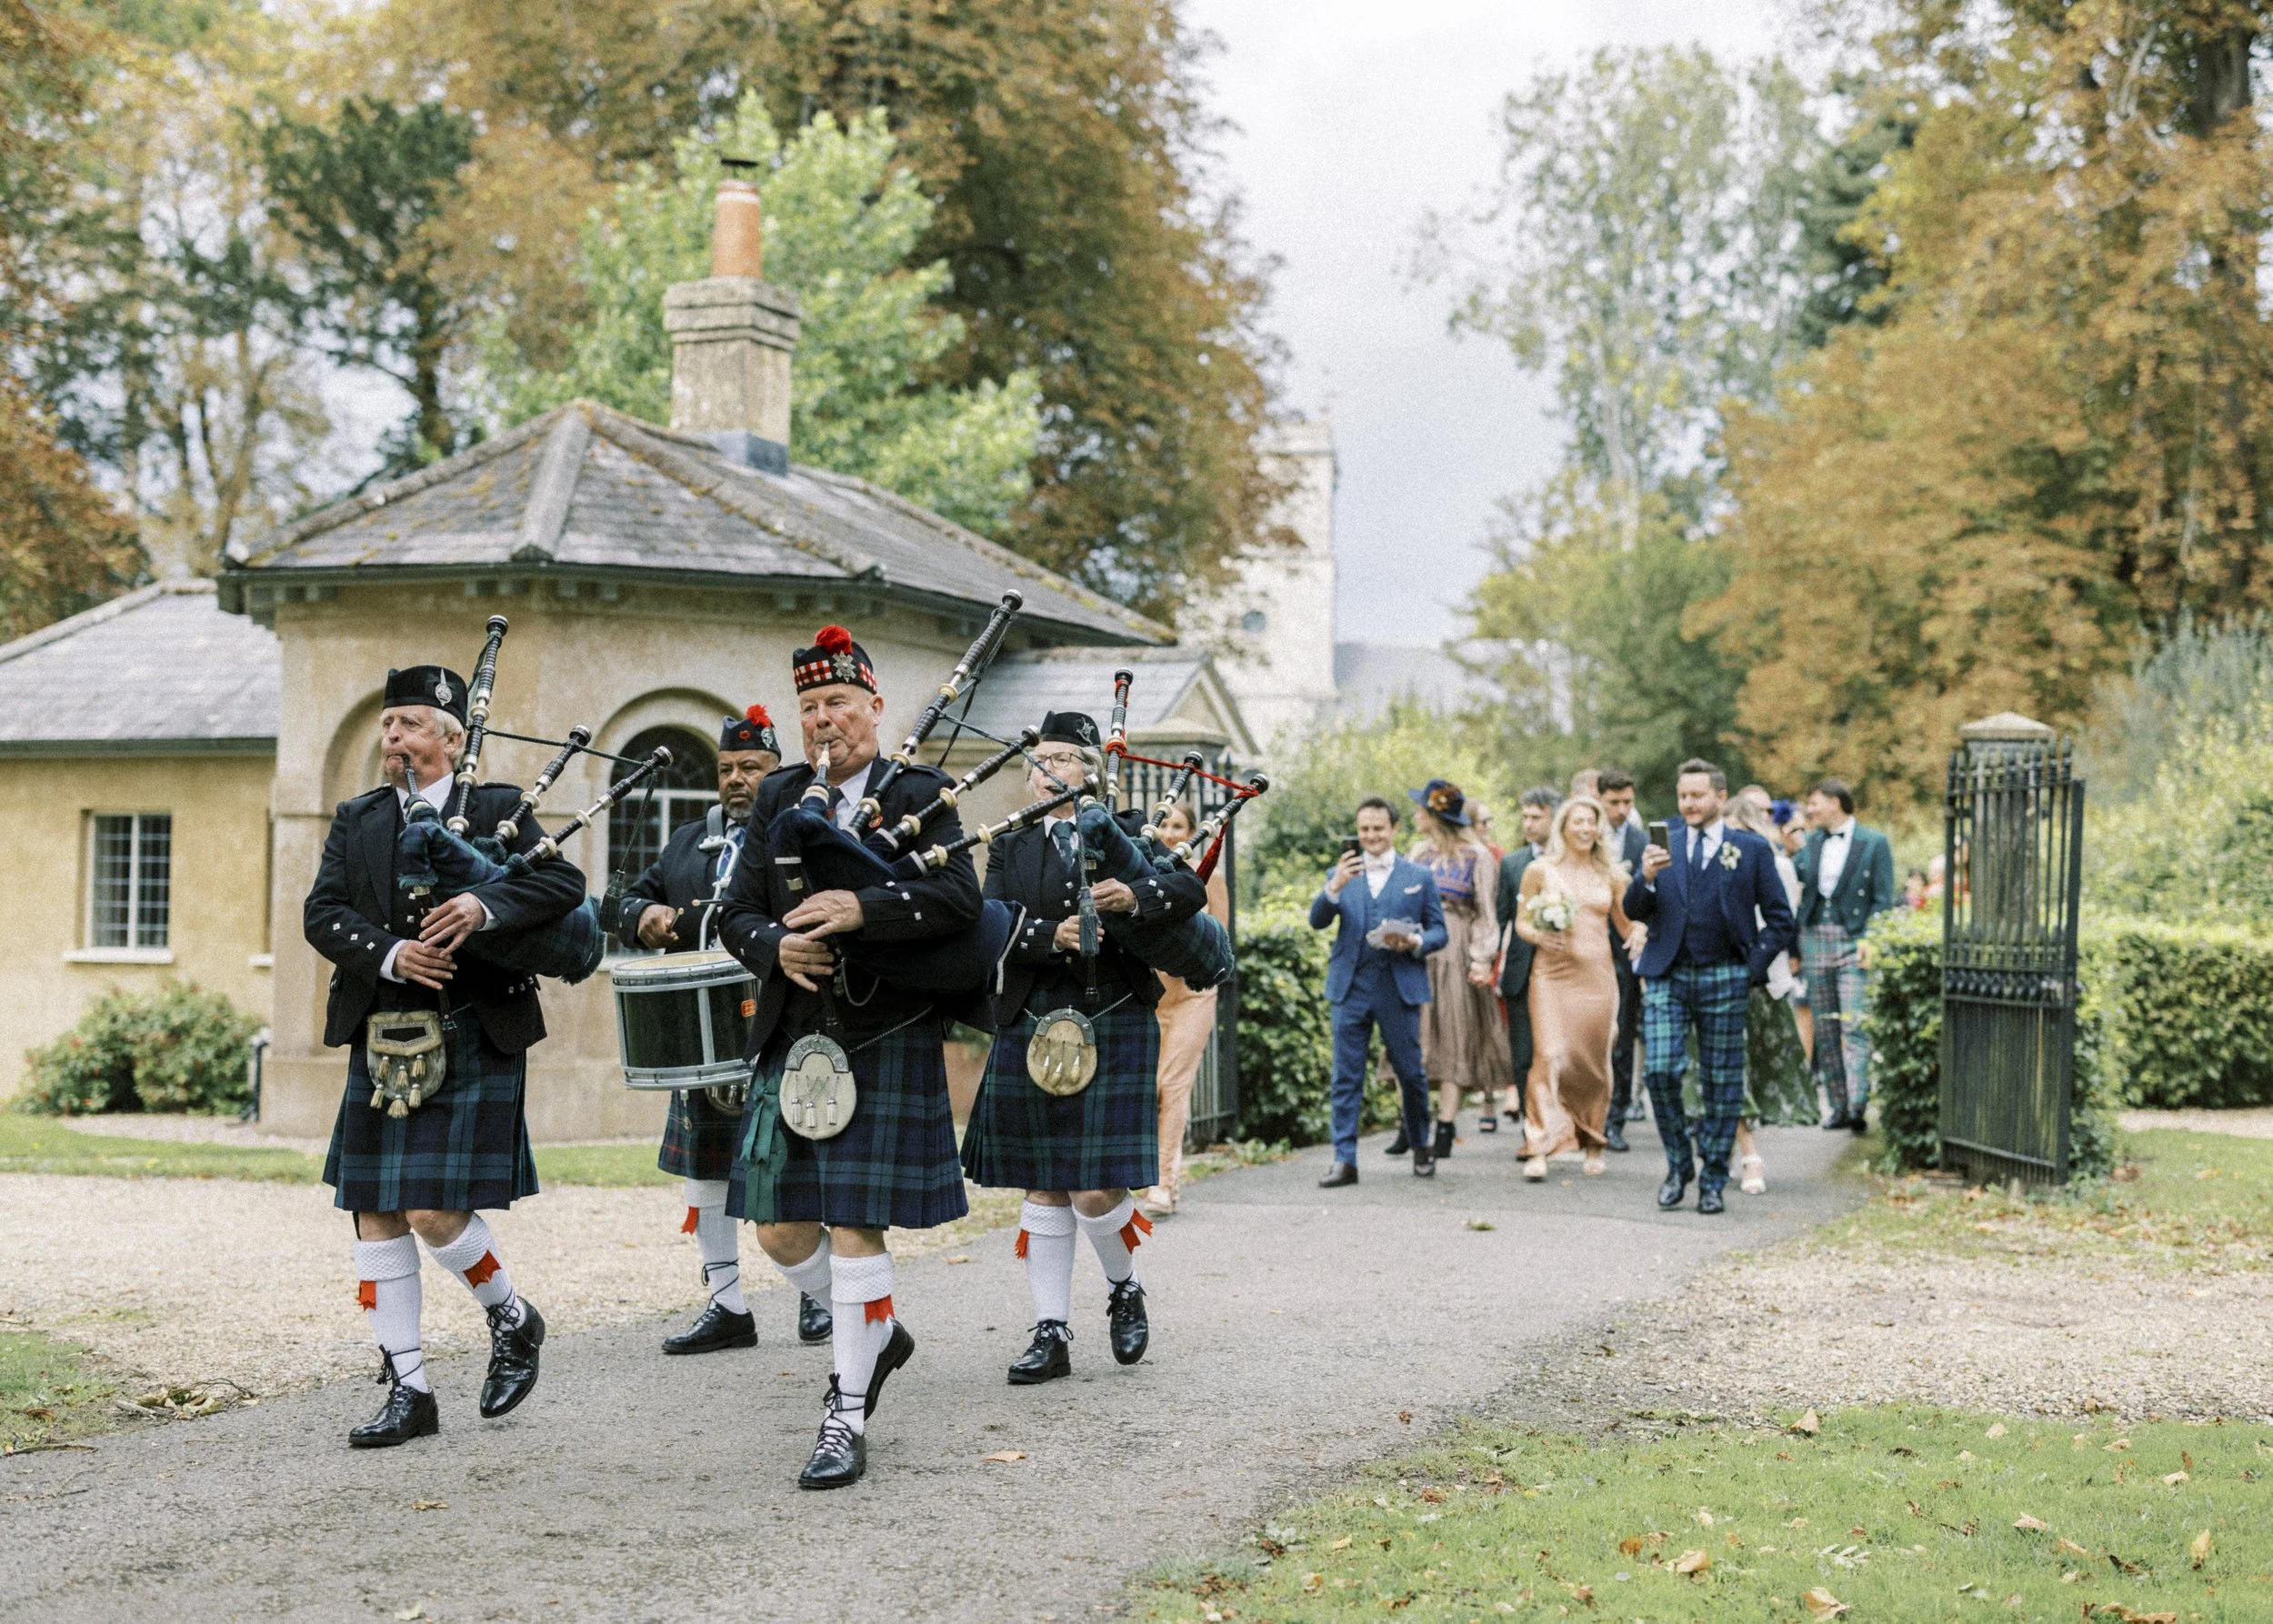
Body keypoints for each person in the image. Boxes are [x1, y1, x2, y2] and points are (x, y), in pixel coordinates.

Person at [713, 624, 981, 1489]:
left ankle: (846, 1410)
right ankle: (876, 1331)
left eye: (839, 704)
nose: (825, 721)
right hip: (796, 1033)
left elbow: (959, 899)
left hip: (883, 1034)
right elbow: (735, 911)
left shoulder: (921, 790)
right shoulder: (781, 794)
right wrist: (773, 951)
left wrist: (865, 911)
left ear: (874, 707)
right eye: (811, 708)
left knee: (857, 1222)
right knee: (779, 1229)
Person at [311, 664, 587, 1449]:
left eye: (407, 724)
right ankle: (409, 1388)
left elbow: (563, 885)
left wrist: (484, 901)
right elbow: (322, 913)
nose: (392, 738)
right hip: (383, 1028)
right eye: (387, 724)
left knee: (432, 1209)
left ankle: (510, 1314)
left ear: (452, 739)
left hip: (472, 1027)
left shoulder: (500, 810)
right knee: (377, 1210)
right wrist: (393, 953)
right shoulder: (359, 818)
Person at [962, 713, 1207, 1385]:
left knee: (1097, 1190)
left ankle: (1124, 1285)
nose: (1044, 770)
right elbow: (992, 923)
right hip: (1036, 1014)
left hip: (1114, 1013)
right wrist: (1052, 937)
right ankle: (1051, 1331)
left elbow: (1189, 888)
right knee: (1045, 1184)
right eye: (1036, 760)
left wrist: (1135, 892)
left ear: (1092, 771)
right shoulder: (1012, 843)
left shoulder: (1127, 831)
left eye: (1061, 759)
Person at [618, 705, 833, 1355]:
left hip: (782, 1023)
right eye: (727, 769)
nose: (738, 780)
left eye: (752, 769)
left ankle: (816, 1300)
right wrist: (643, 915)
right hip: (700, 1035)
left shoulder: (799, 833)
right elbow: (622, 900)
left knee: (796, 1165)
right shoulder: (689, 841)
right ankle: (726, 1305)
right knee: (707, 1172)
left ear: (777, 774)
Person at [1622, 759, 1796, 1215]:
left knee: (1723, 1083)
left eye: (1697, 796)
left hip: (1725, 974)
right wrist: (1647, 878)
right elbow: (1634, 909)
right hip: (1667, 972)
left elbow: (1781, 921)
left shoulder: (1751, 849)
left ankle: (1715, 1176)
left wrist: (1750, 970)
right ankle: (1680, 1164)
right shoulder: (1664, 845)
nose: (1688, 804)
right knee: (1659, 1071)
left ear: (1720, 797)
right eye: (1683, 796)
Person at [1311, 797, 1447, 1185]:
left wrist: (1417, 941)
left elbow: (1440, 930)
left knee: (1411, 1073)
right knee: (1346, 1076)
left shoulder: (1419, 876)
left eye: (1378, 828)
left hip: (1398, 985)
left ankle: (1422, 1146)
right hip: (1350, 986)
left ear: (1394, 830)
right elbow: (1317, 920)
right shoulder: (1342, 872)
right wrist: (1334, 885)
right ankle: (1344, 1159)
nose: (1370, 836)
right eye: (1364, 829)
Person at [1511, 795, 1636, 1180]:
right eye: (1577, 822)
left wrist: (1642, 933)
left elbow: (1627, 924)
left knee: (1594, 1063)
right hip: (1551, 974)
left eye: (1591, 822)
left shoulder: (1612, 875)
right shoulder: (1540, 870)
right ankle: (1539, 1144)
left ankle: (1594, 1141)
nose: (1585, 829)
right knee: (1549, 1055)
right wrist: (1538, 938)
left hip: (1597, 978)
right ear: (1563, 826)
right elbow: (1521, 923)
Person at [1408, 779, 1512, 1158]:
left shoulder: (1477, 857)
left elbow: (1487, 912)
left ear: (1436, 816)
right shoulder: (1418, 854)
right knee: (1416, 1038)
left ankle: (1446, 1125)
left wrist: (1482, 959)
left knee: (1453, 1037)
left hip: (1457, 952)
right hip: (1417, 950)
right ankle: (1414, 1121)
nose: (1416, 814)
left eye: (1422, 808)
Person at [1139, 799, 1229, 1220]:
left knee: (1172, 1085)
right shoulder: (1142, 873)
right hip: (1151, 996)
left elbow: (1221, 941)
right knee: (1148, 1088)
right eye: (1166, 825)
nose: (1172, 833)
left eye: (1180, 825)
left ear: (1194, 832)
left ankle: (1164, 1183)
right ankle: (1148, 1174)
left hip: (1194, 995)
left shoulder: (1212, 876)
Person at [1794, 777, 1898, 1133]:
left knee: (1855, 1024)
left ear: (1836, 802)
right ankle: (1837, 1106)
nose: (1810, 810)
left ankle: (1858, 1104)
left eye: (1814, 803)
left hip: (1855, 940)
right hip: (1813, 939)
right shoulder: (1809, 843)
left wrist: (1871, 937)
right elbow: (1795, 884)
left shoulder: (1874, 842)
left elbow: (1884, 899)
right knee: (1825, 1026)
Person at [1726, 787, 1816, 1193]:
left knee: (1751, 1070)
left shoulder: (1775, 864)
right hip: (1721, 977)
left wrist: (1750, 968)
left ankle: (1740, 1148)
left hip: (1761, 980)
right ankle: (1746, 1153)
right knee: (1730, 1069)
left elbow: (1782, 922)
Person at [1493, 787, 1558, 1136]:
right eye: (1526, 817)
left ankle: (1563, 1123)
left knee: (1559, 1053)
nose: (1529, 824)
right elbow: (1501, 920)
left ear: (1554, 817)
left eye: (1537, 817)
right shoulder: (1512, 863)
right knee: (1522, 1055)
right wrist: (1489, 964)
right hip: (1521, 969)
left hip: (1564, 970)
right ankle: (1531, 1129)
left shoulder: (1571, 860)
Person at [1595, 767, 1649, 1149]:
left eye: (1627, 802)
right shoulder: (1581, 836)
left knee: (1623, 1034)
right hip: (1587, 947)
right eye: (1614, 802)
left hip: (1627, 949)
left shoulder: (1644, 842)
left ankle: (1616, 1116)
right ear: (1600, 799)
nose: (1621, 810)